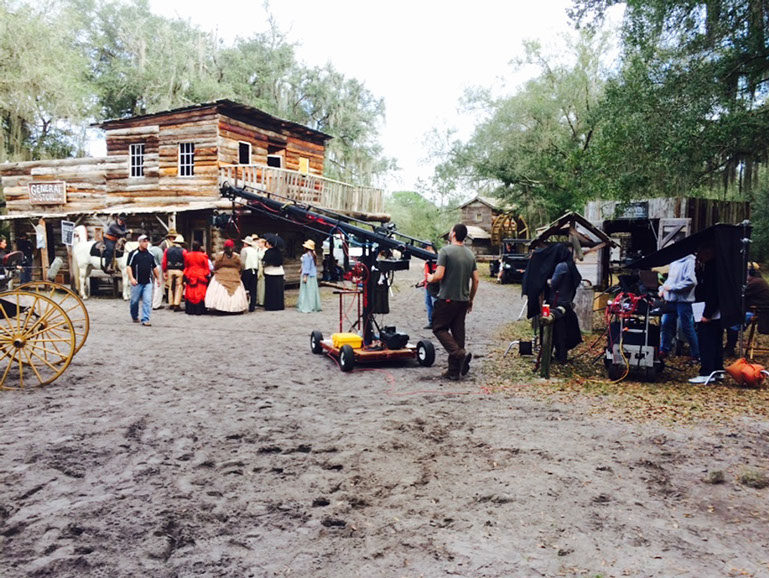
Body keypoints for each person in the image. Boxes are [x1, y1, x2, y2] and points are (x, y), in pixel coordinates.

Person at [427, 224, 479, 380]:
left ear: (454, 234)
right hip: (463, 300)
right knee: (458, 334)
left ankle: (459, 354)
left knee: (438, 327)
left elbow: (439, 275)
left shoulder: (445, 251)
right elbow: (476, 280)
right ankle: (453, 372)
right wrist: (470, 299)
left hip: (447, 298)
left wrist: (430, 277)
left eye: (451, 231)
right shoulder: (470, 255)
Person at [658, 250, 700, 363]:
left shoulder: (690, 261)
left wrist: (672, 288)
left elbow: (691, 282)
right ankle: (664, 349)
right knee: (666, 324)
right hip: (671, 300)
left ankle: (696, 354)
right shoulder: (674, 262)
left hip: (684, 301)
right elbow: (669, 280)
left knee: (686, 327)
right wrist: (662, 289)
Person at [690, 244, 723, 383]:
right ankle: (717, 369)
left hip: (709, 310)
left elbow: (712, 292)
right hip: (711, 308)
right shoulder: (710, 267)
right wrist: (698, 270)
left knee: (707, 341)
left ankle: (707, 371)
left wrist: (707, 313)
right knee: (716, 341)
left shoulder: (713, 269)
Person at [547, 243, 583, 363]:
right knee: (562, 332)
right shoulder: (570, 265)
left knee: (555, 332)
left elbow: (554, 283)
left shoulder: (561, 266)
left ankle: (554, 356)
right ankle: (561, 356)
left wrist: (547, 281)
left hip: (556, 303)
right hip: (566, 302)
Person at [725, 262, 769, 356]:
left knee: (732, 323)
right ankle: (729, 347)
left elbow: (741, 296)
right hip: (758, 311)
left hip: (759, 313)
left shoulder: (755, 283)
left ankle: (730, 349)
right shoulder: (758, 281)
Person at [205, 239, 248, 313]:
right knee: (236, 291)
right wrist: (237, 271)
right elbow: (240, 266)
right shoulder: (236, 256)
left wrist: (217, 270)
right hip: (234, 275)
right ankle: (235, 307)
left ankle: (220, 306)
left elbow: (216, 265)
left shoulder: (220, 255)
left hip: (221, 275)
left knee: (219, 291)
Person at [127, 234, 160, 326]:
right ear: (140, 242)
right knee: (134, 301)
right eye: (144, 241)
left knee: (147, 300)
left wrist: (158, 278)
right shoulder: (133, 254)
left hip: (148, 282)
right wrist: (131, 278)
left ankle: (145, 319)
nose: (146, 243)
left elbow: (154, 267)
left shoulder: (150, 255)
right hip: (137, 282)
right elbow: (129, 267)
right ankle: (134, 315)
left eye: (147, 241)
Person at [183, 241, 210, 315]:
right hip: (200, 275)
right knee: (200, 292)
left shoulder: (187, 255)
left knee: (190, 292)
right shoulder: (203, 256)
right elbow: (206, 267)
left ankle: (190, 309)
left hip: (190, 274)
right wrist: (206, 274)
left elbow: (186, 265)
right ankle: (200, 309)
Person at [297, 239, 322, 313]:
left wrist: (305, 276)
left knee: (306, 291)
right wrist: (301, 269)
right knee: (312, 291)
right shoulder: (313, 255)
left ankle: (307, 305)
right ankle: (313, 305)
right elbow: (306, 265)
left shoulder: (306, 256)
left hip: (308, 276)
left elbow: (307, 267)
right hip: (312, 275)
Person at [163, 234, 187, 311]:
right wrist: (185, 270)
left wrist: (164, 271)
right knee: (179, 286)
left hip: (170, 269)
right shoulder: (183, 251)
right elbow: (186, 262)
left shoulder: (167, 250)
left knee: (170, 286)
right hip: (179, 270)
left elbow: (164, 261)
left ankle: (171, 303)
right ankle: (177, 303)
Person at [418, 243, 439, 329]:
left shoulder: (435, 258)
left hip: (434, 284)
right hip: (428, 284)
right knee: (428, 304)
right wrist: (424, 280)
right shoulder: (428, 258)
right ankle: (431, 322)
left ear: (428, 247)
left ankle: (437, 322)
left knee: (435, 304)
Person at [262, 236, 285, 311]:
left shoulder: (268, 252)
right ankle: (279, 305)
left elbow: (265, 261)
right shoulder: (279, 252)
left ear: (269, 244)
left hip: (270, 272)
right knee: (278, 290)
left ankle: (271, 306)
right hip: (279, 272)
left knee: (270, 290)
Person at [240, 235, 259, 312]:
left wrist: (241, 270)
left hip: (247, 270)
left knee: (244, 288)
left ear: (246, 244)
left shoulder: (244, 250)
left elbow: (242, 262)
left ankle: (243, 304)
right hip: (254, 270)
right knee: (253, 289)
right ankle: (252, 306)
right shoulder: (255, 251)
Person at [148, 236, 164, 310]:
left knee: (149, 285)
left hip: (148, 266)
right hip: (157, 267)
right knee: (158, 285)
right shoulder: (159, 250)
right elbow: (161, 261)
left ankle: (149, 301)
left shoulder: (148, 249)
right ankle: (156, 304)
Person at [255, 236, 267, 307]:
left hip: (263, 267)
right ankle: (258, 299)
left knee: (262, 284)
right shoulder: (257, 250)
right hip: (257, 266)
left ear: (263, 243)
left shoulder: (265, 250)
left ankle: (262, 300)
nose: (258, 244)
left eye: (259, 242)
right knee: (258, 284)